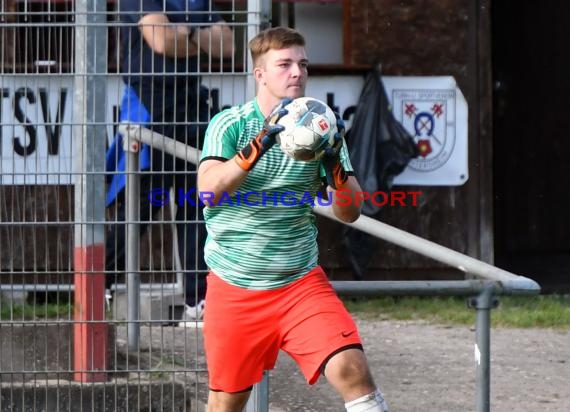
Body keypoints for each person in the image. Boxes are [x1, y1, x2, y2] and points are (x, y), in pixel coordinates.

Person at [198, 26, 389, 412]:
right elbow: (208, 191)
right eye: (284, 64)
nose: (297, 73)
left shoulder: (322, 128)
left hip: (298, 282)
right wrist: (257, 147)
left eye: (303, 64)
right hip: (235, 284)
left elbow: (349, 210)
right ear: (260, 74)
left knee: (353, 370)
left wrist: (335, 162)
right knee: (225, 403)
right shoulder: (230, 123)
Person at [105, 0, 233, 322]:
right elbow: (160, 41)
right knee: (141, 206)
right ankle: (99, 286)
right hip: (150, 108)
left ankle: (198, 301)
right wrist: (198, 37)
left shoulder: (197, 1)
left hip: (191, 107)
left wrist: (184, 34)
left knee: (197, 204)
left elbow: (228, 45)